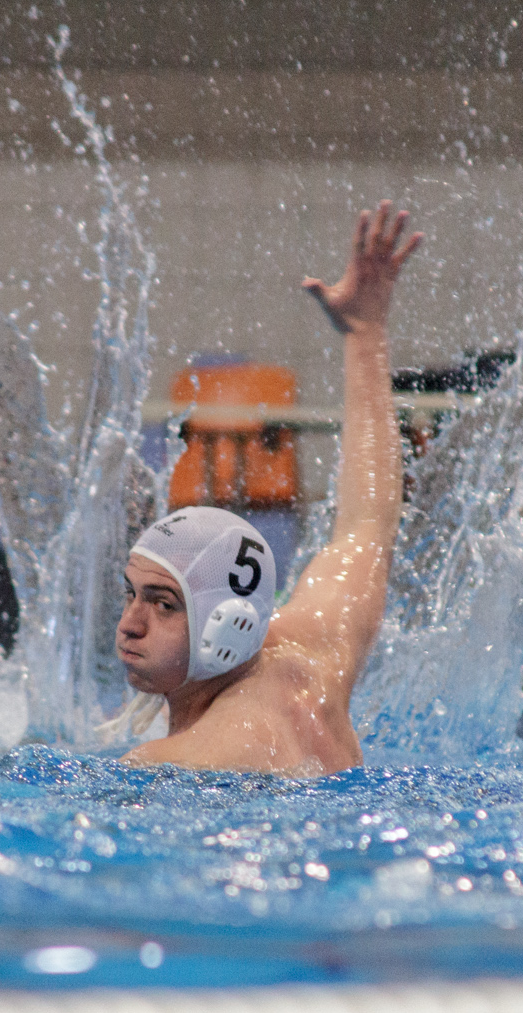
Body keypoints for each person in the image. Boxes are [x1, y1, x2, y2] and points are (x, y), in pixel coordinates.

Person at [112, 202, 418, 775]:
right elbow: (366, 524)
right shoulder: (311, 655)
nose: (130, 624)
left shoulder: (179, 761)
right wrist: (365, 333)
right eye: (132, 594)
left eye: (164, 605)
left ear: (224, 630)